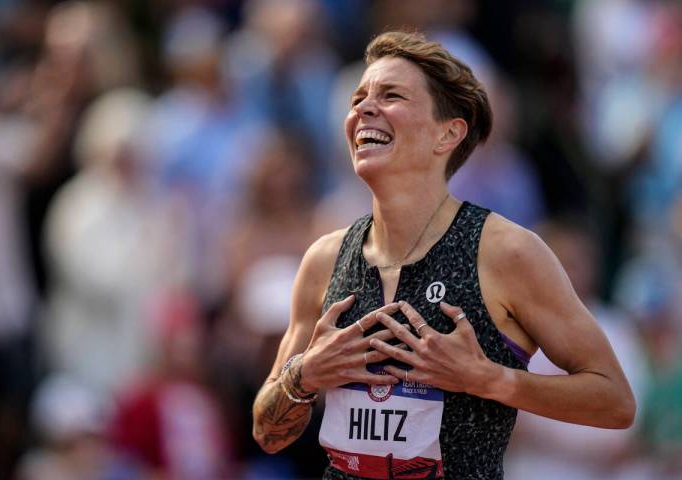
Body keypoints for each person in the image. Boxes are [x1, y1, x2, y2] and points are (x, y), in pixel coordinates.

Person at [252, 31, 635, 480]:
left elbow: (615, 401)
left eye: (391, 95)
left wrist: (489, 379)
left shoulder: (506, 251)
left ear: (447, 133)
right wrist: (305, 375)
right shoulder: (324, 258)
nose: (363, 109)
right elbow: (268, 433)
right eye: (358, 98)